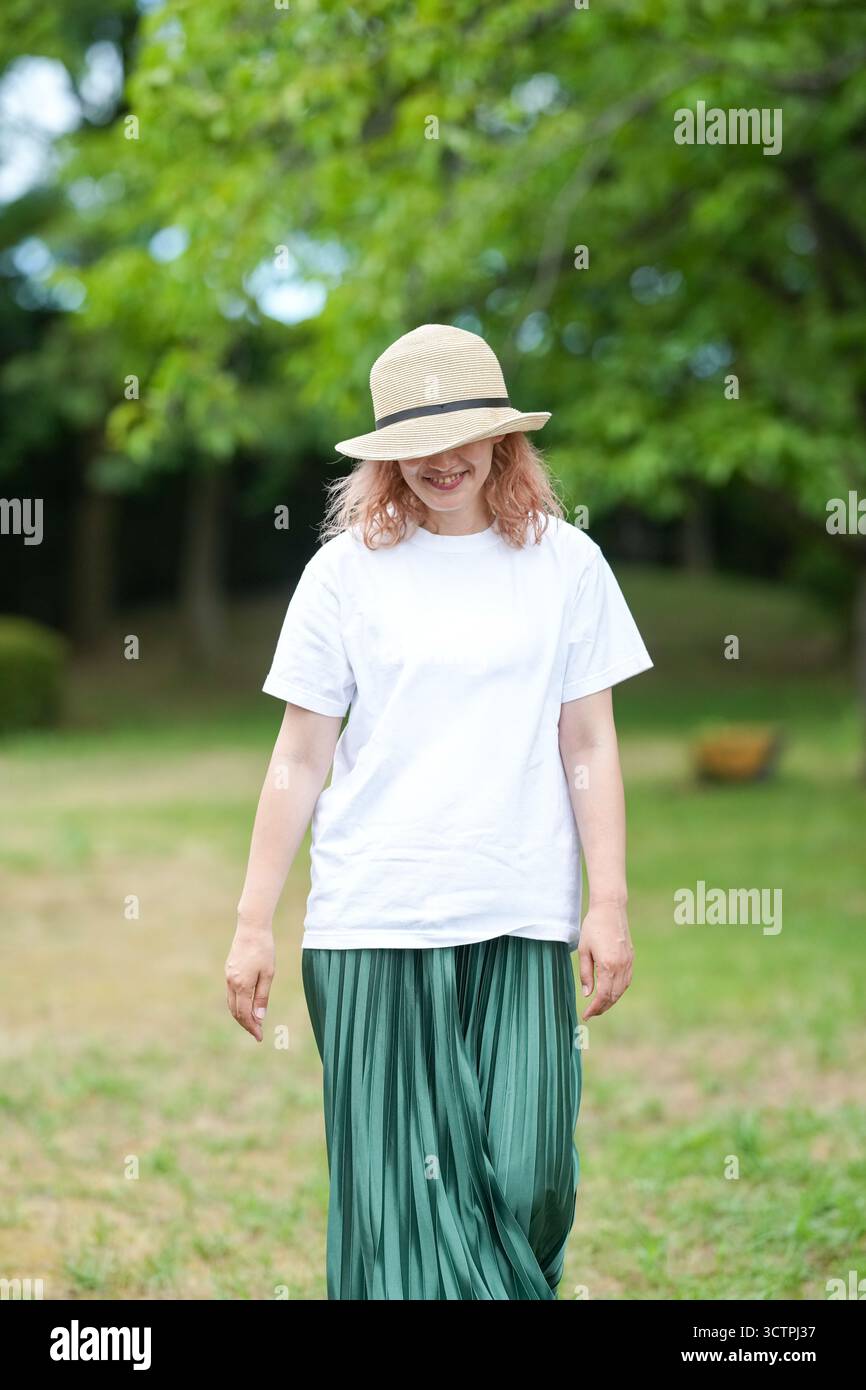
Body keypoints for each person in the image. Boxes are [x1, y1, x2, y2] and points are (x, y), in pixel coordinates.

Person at [226, 323, 654, 1300]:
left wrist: (610, 901)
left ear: (504, 438)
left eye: (460, 435)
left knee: (528, 1179)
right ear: (385, 454)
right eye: (414, 443)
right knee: (402, 1215)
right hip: (373, 922)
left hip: (521, 911)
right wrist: (252, 923)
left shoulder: (566, 564)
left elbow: (588, 744)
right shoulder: (343, 574)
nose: (439, 460)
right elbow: (299, 753)